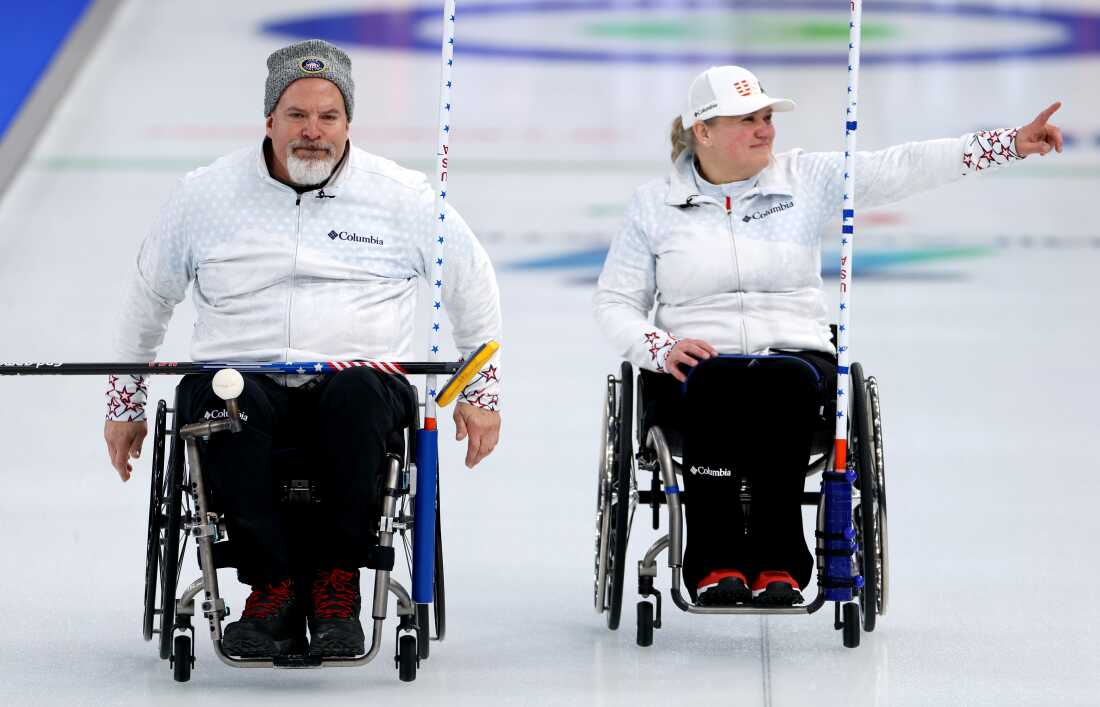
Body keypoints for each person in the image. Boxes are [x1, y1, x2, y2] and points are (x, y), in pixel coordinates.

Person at [594, 65, 1062, 607]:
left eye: (767, 117)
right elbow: (616, 304)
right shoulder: (654, 206)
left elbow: (902, 166)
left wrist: (1007, 144)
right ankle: (712, 561)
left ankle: (781, 564)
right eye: (748, 120)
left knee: (788, 382)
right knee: (714, 382)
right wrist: (660, 347)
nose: (765, 130)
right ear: (704, 131)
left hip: (795, 357)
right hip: (694, 368)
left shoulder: (805, 179)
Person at [101, 39, 503, 657]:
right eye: (297, 115)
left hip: (360, 381)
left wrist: (478, 389)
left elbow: (474, 289)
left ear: (348, 124)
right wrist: (124, 403)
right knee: (219, 399)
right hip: (240, 378)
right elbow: (146, 301)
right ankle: (274, 586)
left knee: (359, 392)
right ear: (269, 120)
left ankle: (335, 583)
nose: (312, 132)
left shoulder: (402, 196)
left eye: (328, 116)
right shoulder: (204, 195)